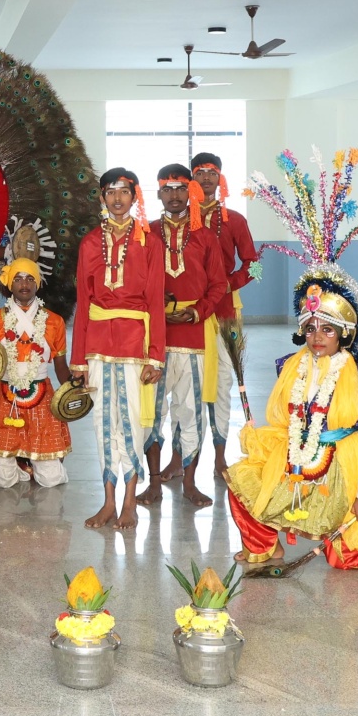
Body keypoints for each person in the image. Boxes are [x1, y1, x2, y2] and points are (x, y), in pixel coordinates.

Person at [226, 148, 358, 571]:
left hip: (343, 467)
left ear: (344, 333)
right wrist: (262, 443)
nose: (317, 338)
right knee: (241, 481)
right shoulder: (291, 366)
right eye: (310, 329)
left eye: (327, 330)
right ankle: (266, 546)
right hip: (295, 456)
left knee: (345, 558)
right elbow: (285, 418)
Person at [69, 168, 165, 531]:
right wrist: (78, 360)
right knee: (102, 424)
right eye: (110, 192)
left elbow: (155, 300)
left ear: (134, 196)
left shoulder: (149, 242)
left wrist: (156, 355)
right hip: (97, 345)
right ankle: (108, 501)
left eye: (124, 191)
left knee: (132, 425)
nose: (117, 198)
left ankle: (129, 502)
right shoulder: (90, 243)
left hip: (135, 344)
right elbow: (83, 300)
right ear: (102, 198)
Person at [140, 164, 229, 507]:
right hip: (155, 337)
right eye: (168, 188)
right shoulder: (146, 234)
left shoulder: (206, 236)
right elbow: (136, 280)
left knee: (191, 411)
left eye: (181, 188)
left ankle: (190, 482)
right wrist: (153, 302)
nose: (174, 195)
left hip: (194, 335)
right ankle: (153, 483)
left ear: (190, 192)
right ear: (158, 193)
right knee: (151, 412)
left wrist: (195, 312)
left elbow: (218, 284)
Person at [188, 152, 259, 479]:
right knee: (187, 383)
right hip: (187, 312)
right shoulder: (180, 220)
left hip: (225, 312)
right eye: (199, 172)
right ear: (191, 178)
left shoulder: (235, 220)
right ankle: (184, 457)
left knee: (223, 382)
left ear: (220, 178)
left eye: (211, 172)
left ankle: (220, 454)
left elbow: (255, 266)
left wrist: (227, 284)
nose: (206, 178)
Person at [0, 258, 71, 489]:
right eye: (18, 279)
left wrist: (72, 391)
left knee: (51, 479)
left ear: (38, 283)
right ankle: (22, 465)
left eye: (30, 278)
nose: (24, 284)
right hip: (4, 395)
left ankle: (29, 463)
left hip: (42, 395)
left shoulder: (54, 321)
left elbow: (60, 365)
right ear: (10, 284)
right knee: (2, 480)